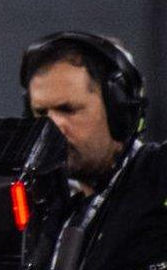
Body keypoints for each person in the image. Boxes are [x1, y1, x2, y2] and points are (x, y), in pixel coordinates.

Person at [19, 31, 167, 270]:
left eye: (68, 109)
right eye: (41, 113)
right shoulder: (46, 213)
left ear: (119, 111)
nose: (52, 129)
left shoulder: (159, 177)